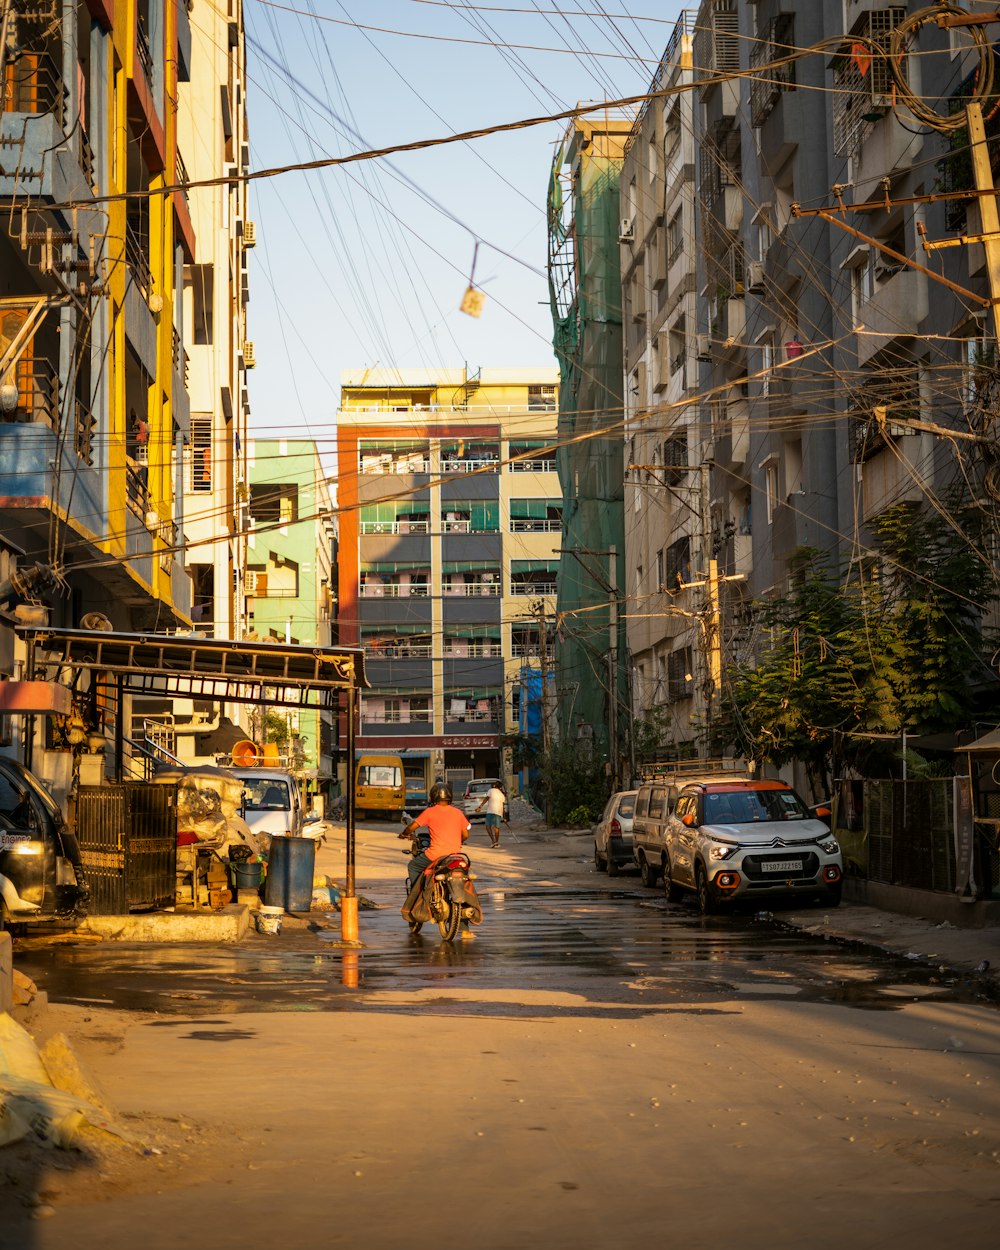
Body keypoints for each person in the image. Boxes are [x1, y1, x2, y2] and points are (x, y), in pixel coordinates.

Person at [398, 781, 470, 891]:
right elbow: (465, 835)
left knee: (413, 866)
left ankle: (418, 893)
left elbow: (411, 827)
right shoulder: (458, 812)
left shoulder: (429, 812)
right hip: (456, 854)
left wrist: (404, 834)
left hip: (436, 854)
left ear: (433, 796)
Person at [476, 782, 507, 848]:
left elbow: (486, 798)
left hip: (491, 811)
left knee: (488, 827)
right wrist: (504, 817)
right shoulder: (502, 795)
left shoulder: (491, 790)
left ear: (494, 786)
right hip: (498, 812)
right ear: (500, 787)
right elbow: (503, 807)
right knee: (496, 828)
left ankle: (493, 841)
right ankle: (496, 842)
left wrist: (480, 806)